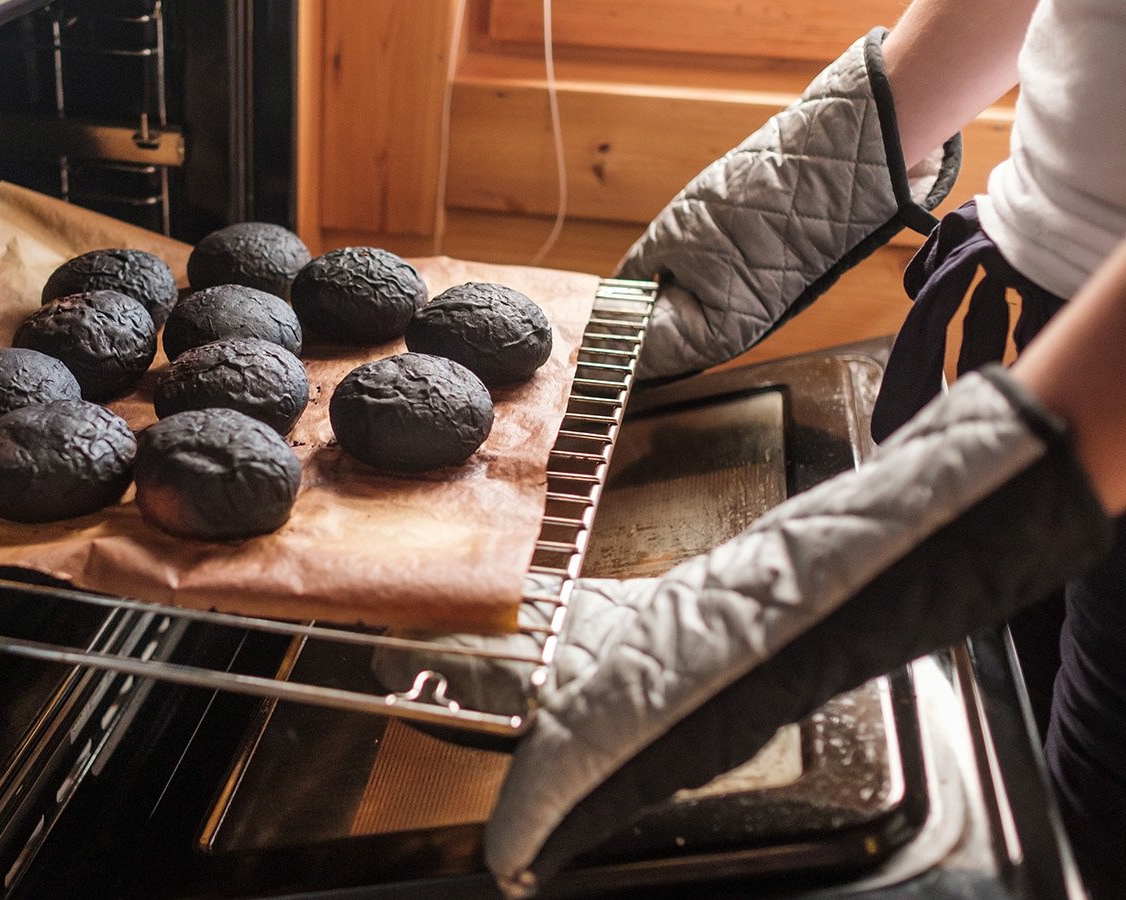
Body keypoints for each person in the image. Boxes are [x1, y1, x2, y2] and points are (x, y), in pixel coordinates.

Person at [390, 0, 1126, 895]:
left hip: (1098, 394)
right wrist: (794, 191)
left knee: (1094, 824)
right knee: (1029, 759)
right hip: (1028, 325)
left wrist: (749, 610)